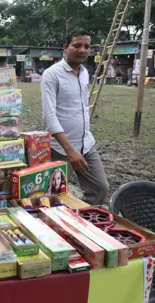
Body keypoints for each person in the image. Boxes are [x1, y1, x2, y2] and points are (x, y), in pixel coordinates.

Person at [41, 28, 109, 205]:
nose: (83, 50)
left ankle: (83, 219)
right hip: (60, 149)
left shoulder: (85, 73)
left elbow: (81, 107)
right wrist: (69, 150)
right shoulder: (52, 74)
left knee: (100, 188)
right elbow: (49, 115)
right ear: (65, 47)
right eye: (77, 45)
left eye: (87, 46)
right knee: (53, 196)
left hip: (86, 144)